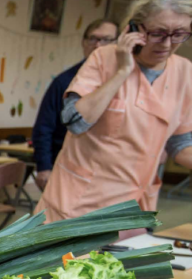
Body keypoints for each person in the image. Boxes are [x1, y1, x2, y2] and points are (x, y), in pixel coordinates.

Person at [36, 0, 192, 223]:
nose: (167, 44)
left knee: (122, 258)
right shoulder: (103, 57)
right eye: (158, 33)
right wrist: (122, 71)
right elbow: (76, 122)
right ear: (135, 29)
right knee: (68, 258)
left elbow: (180, 143)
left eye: (179, 34)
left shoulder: (185, 71)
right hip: (81, 202)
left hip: (134, 204)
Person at [31, 19, 119, 190]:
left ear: (117, 43)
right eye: (93, 39)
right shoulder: (63, 81)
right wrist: (44, 167)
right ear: (83, 43)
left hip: (108, 172)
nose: (98, 45)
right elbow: (43, 127)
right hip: (67, 167)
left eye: (106, 40)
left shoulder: (125, 79)